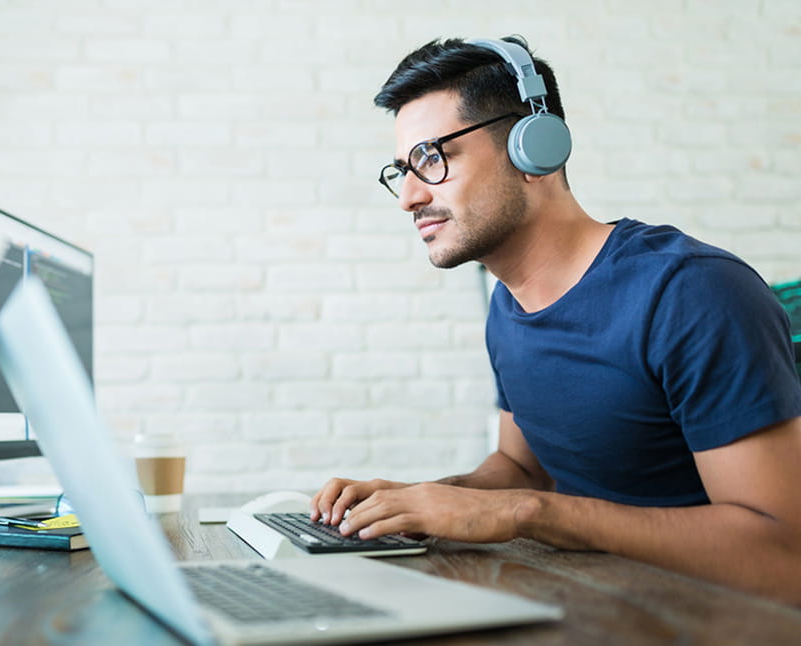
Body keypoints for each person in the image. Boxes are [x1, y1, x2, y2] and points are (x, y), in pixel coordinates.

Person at [310, 35, 801, 604]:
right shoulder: (508, 303)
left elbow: (783, 555)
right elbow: (522, 469)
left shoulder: (691, 292)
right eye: (403, 169)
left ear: (533, 150)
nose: (409, 198)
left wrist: (527, 514)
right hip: (590, 606)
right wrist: (419, 501)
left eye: (431, 158)